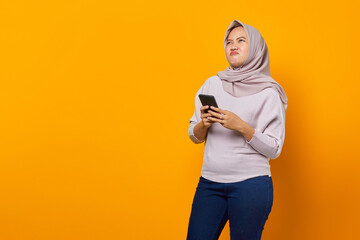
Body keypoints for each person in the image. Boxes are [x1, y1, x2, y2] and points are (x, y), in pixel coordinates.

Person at [186, 20, 288, 240]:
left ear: (256, 48)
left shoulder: (269, 92)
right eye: (229, 42)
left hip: (250, 187)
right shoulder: (212, 84)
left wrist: (240, 126)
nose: (233, 45)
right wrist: (203, 124)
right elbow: (193, 134)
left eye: (242, 40)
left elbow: (274, 148)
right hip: (210, 183)